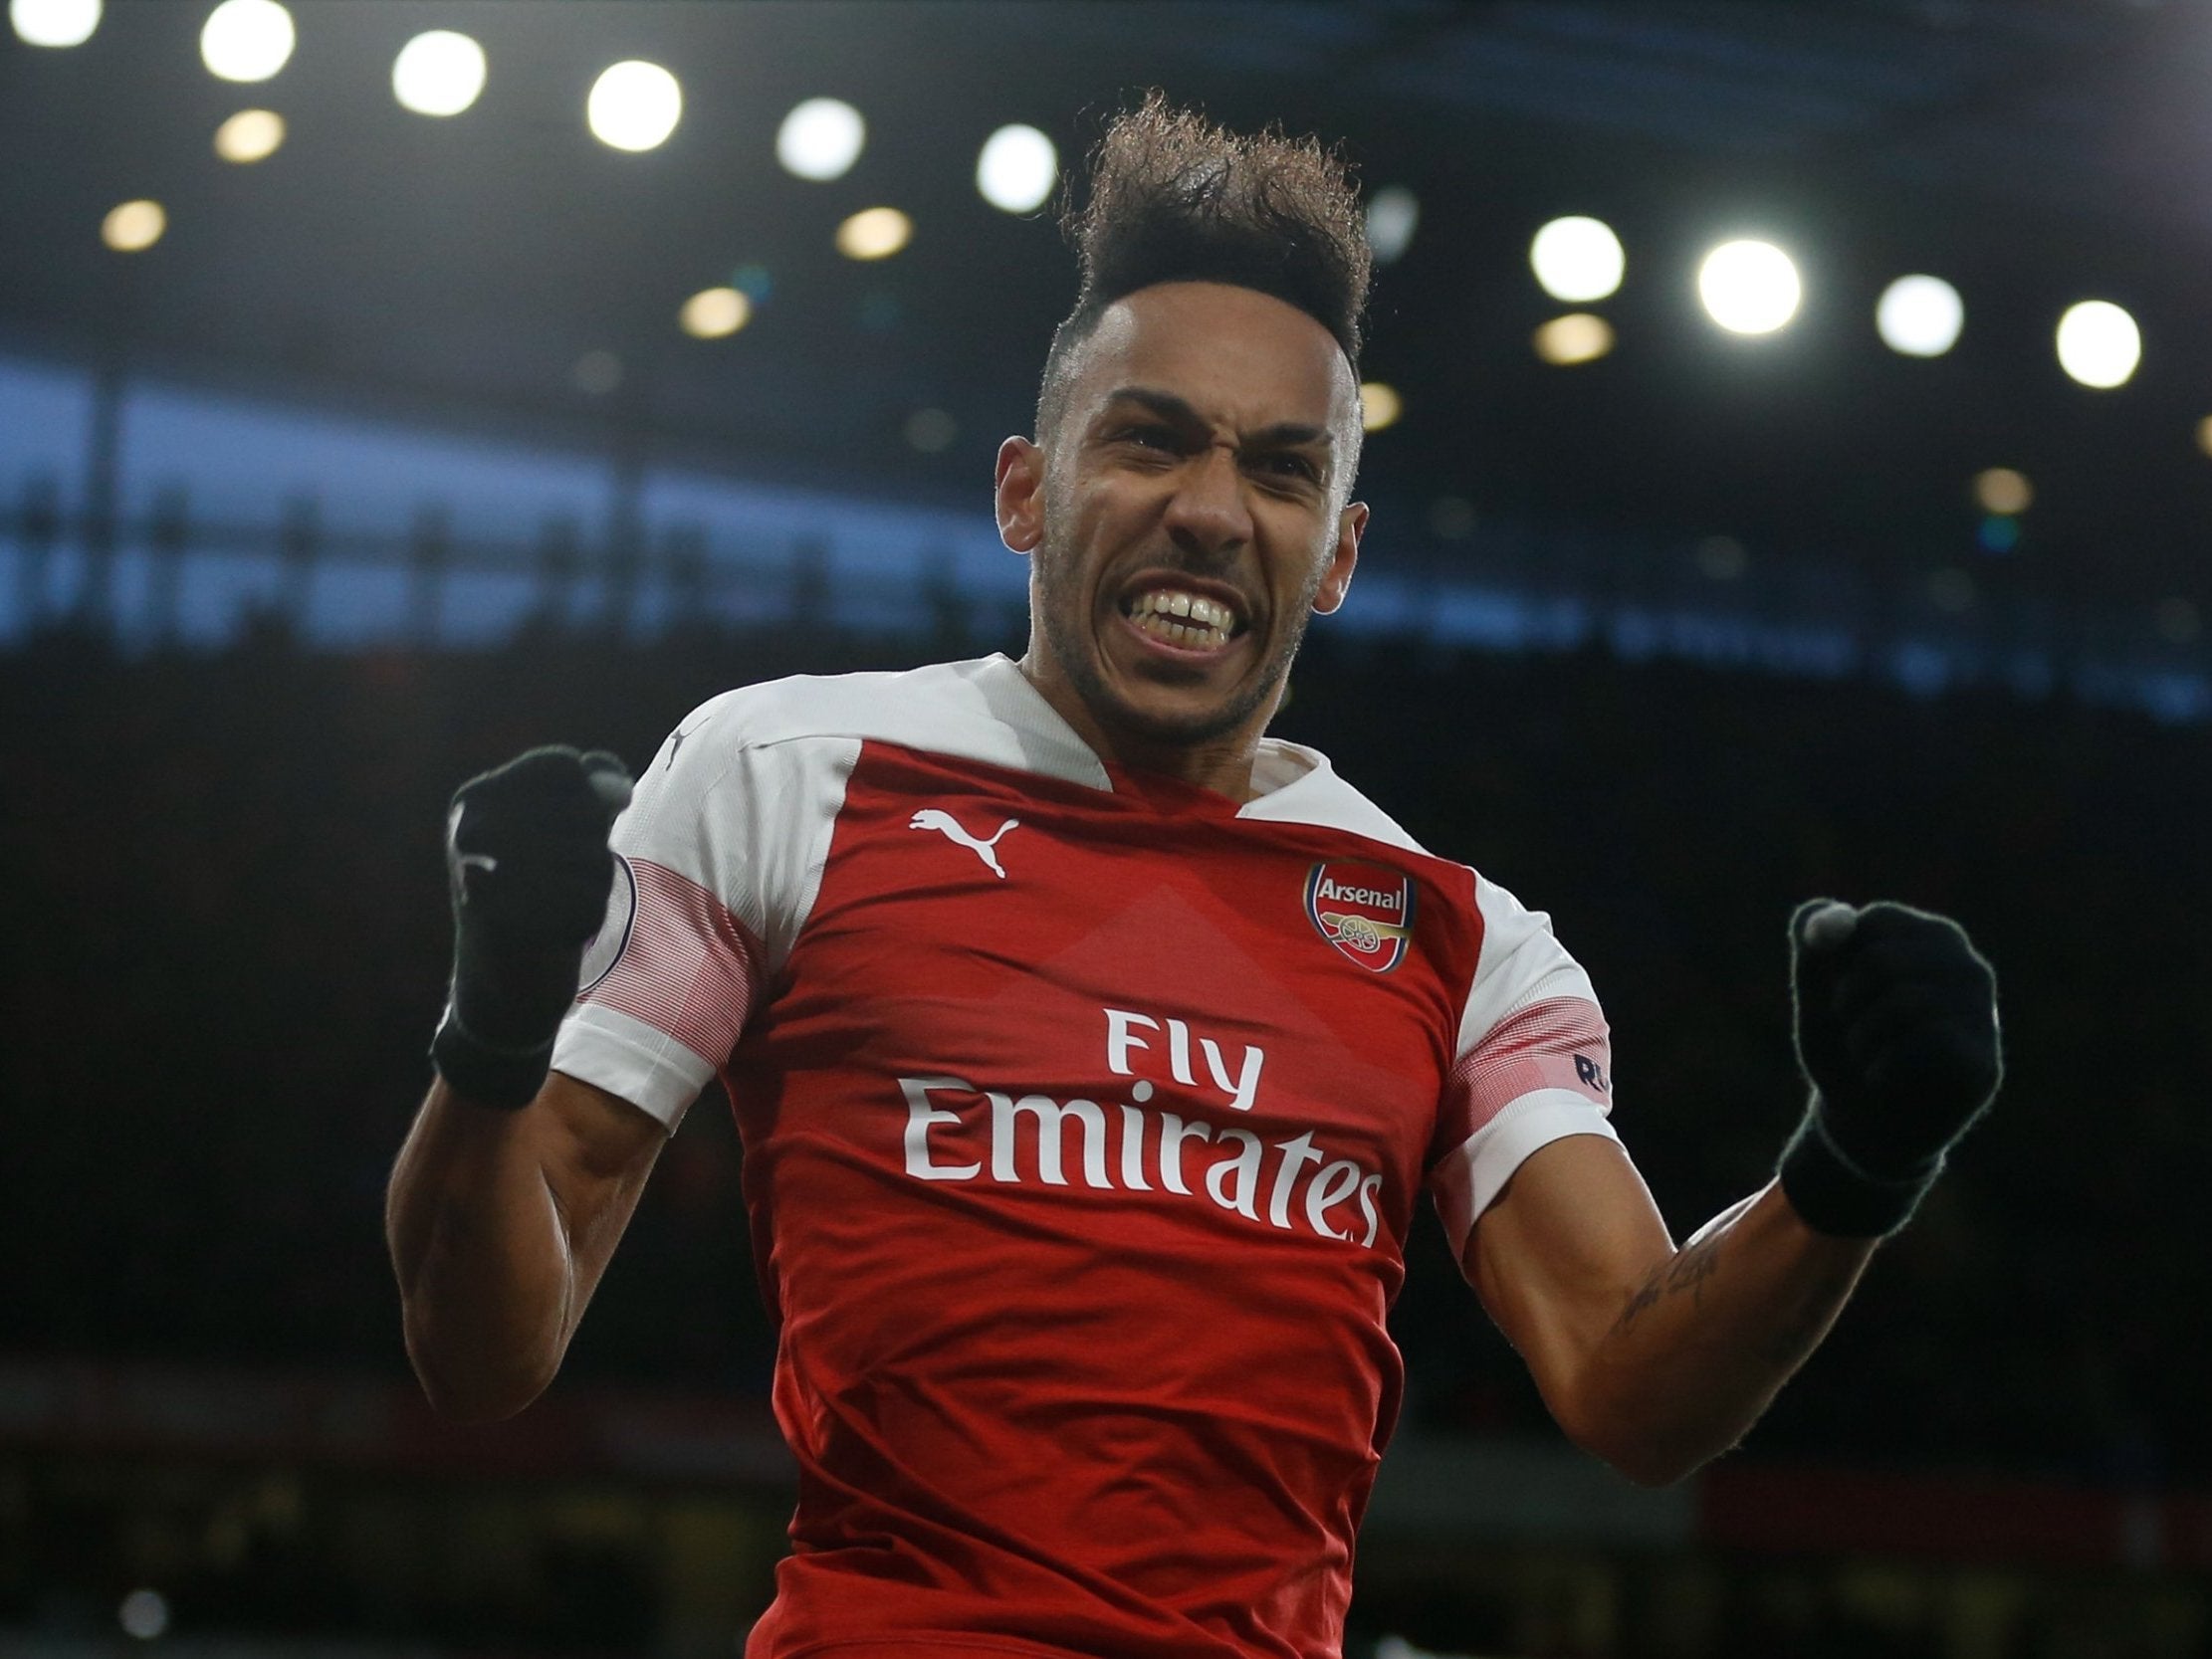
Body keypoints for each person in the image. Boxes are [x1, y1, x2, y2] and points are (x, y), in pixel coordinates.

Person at [385, 96, 2002, 1659]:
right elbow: (487, 1356)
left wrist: (1847, 1170)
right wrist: (492, 1040)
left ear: (1340, 550)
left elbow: (1632, 1387)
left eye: (1281, 471)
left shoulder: (1464, 940)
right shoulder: (782, 779)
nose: (1213, 512)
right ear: (1026, 490)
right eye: (1149, 441)